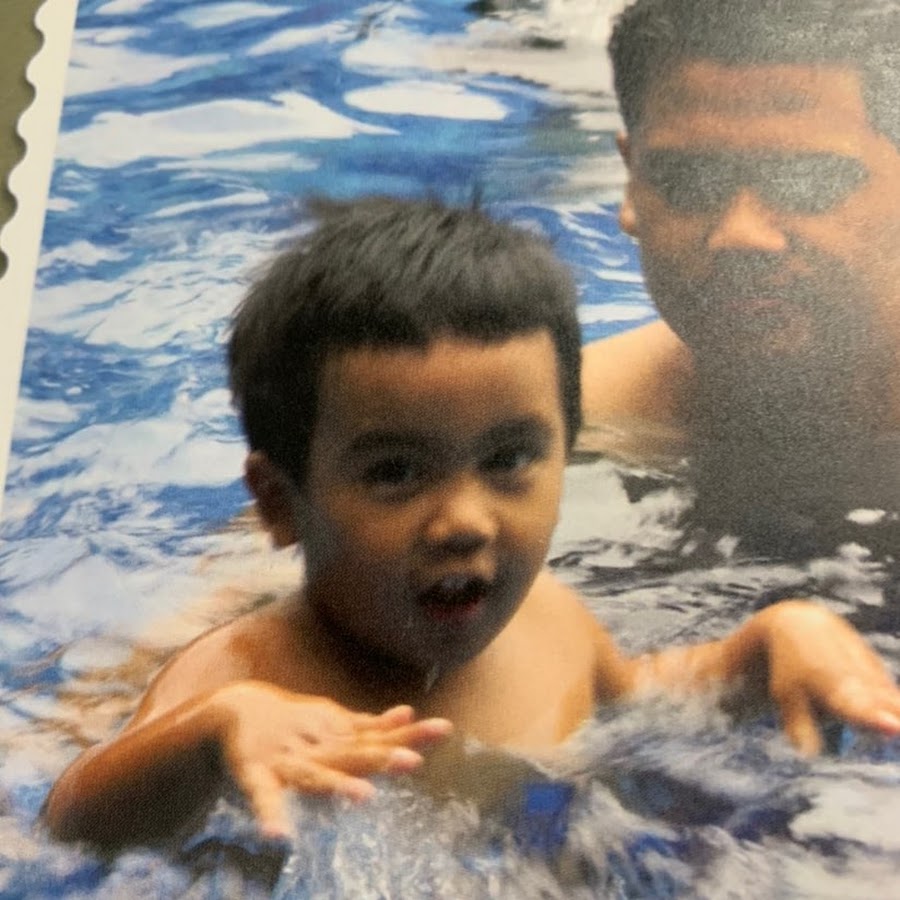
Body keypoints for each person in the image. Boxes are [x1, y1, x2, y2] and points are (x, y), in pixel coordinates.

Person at [43, 197, 900, 850]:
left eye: (509, 459)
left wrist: (761, 647)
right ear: (279, 504)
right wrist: (209, 737)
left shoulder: (549, 621)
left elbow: (640, 698)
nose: (464, 520)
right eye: (395, 472)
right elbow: (70, 820)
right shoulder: (247, 675)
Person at [580, 0, 900, 546]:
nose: (741, 234)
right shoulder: (563, 427)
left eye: (807, 182)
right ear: (631, 183)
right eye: (689, 181)